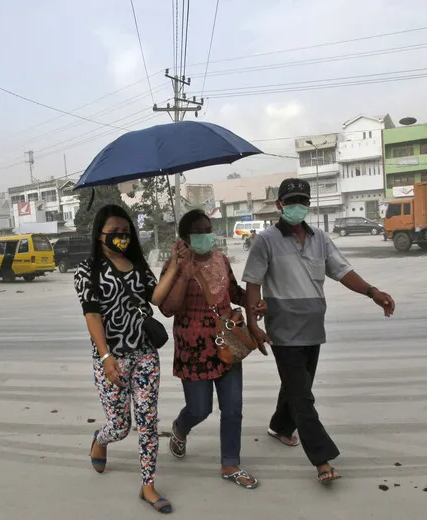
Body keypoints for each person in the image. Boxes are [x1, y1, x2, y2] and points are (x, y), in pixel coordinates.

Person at [242, 178, 395, 485]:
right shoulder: (266, 241)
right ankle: (322, 460)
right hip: (283, 332)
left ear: (308, 205)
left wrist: (372, 292)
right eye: (291, 201)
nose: (297, 207)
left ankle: (280, 427)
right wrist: (253, 324)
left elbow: (342, 271)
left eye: (302, 201)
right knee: (303, 397)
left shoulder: (320, 238)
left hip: (313, 329)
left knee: (296, 386)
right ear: (279, 205)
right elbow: (253, 284)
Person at [74, 205, 182, 514]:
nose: (122, 237)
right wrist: (106, 357)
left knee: (147, 421)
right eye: (115, 232)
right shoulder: (87, 270)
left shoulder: (137, 263)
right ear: (99, 235)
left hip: (145, 353)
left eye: (126, 232)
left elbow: (156, 298)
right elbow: (92, 314)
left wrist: (174, 265)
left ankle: (148, 485)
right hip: (111, 357)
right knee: (121, 425)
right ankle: (102, 438)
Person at [160, 210, 264, 489]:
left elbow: (234, 292)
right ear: (185, 238)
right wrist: (184, 275)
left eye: (209, 229)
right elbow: (167, 308)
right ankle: (180, 428)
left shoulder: (221, 260)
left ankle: (230, 463)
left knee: (233, 407)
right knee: (200, 408)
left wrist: (255, 303)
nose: (207, 235)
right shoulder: (173, 266)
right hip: (192, 349)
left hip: (226, 343)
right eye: (199, 231)